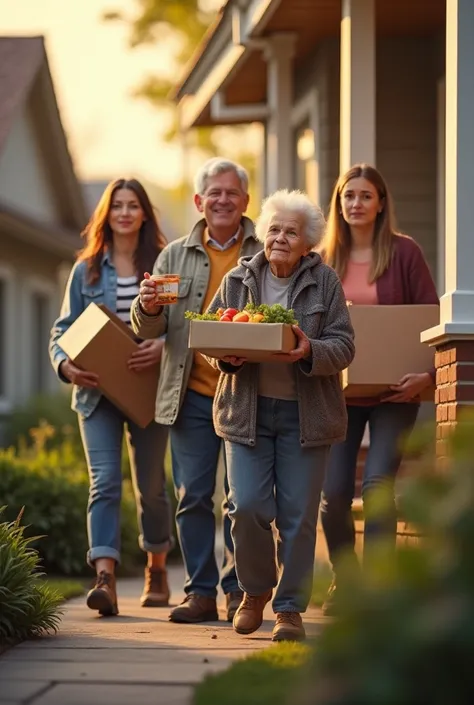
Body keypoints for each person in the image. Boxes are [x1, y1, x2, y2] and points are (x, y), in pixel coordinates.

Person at [201, 189, 355, 641]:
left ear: (307, 242)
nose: (281, 238)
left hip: (306, 417)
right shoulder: (238, 278)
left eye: (291, 231)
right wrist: (226, 356)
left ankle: (289, 608)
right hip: (246, 413)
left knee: (298, 516)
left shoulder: (325, 281)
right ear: (262, 234)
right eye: (274, 229)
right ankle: (253, 591)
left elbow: (345, 345)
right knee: (244, 506)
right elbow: (211, 336)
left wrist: (310, 349)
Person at [131, 158, 262, 624]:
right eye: (214, 192)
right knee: (192, 496)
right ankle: (199, 592)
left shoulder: (263, 252)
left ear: (246, 201)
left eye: (232, 193)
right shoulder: (174, 256)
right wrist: (144, 307)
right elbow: (152, 325)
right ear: (199, 201)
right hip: (190, 396)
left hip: (245, 394)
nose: (223, 200)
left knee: (240, 498)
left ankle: (235, 590)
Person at [318, 163, 439, 615]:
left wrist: (426, 377)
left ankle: (379, 592)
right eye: (349, 196)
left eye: (366, 195)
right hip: (339, 396)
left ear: (381, 202)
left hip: (394, 394)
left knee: (377, 488)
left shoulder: (405, 253)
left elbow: (427, 320)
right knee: (331, 496)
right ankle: (345, 581)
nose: (356, 204)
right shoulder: (324, 259)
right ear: (339, 203)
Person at [49, 178, 173, 616]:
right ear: (107, 213)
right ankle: (104, 576)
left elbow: (180, 325)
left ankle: (156, 567)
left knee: (151, 487)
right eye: (116, 205)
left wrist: (163, 346)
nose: (124, 212)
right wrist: (66, 366)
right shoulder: (86, 270)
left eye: (132, 205)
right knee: (104, 482)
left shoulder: (162, 265)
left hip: (148, 393)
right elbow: (62, 331)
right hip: (96, 393)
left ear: (143, 214)